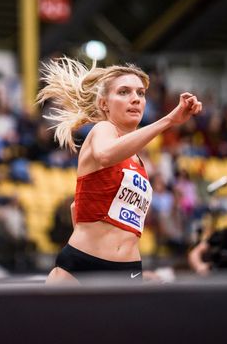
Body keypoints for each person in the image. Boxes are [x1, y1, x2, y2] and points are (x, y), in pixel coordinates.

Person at [37, 57, 202, 284]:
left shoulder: (138, 158)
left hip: (128, 269)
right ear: (104, 103)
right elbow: (106, 155)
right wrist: (169, 121)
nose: (135, 99)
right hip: (83, 265)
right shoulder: (103, 129)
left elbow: (79, 206)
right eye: (124, 92)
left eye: (141, 93)